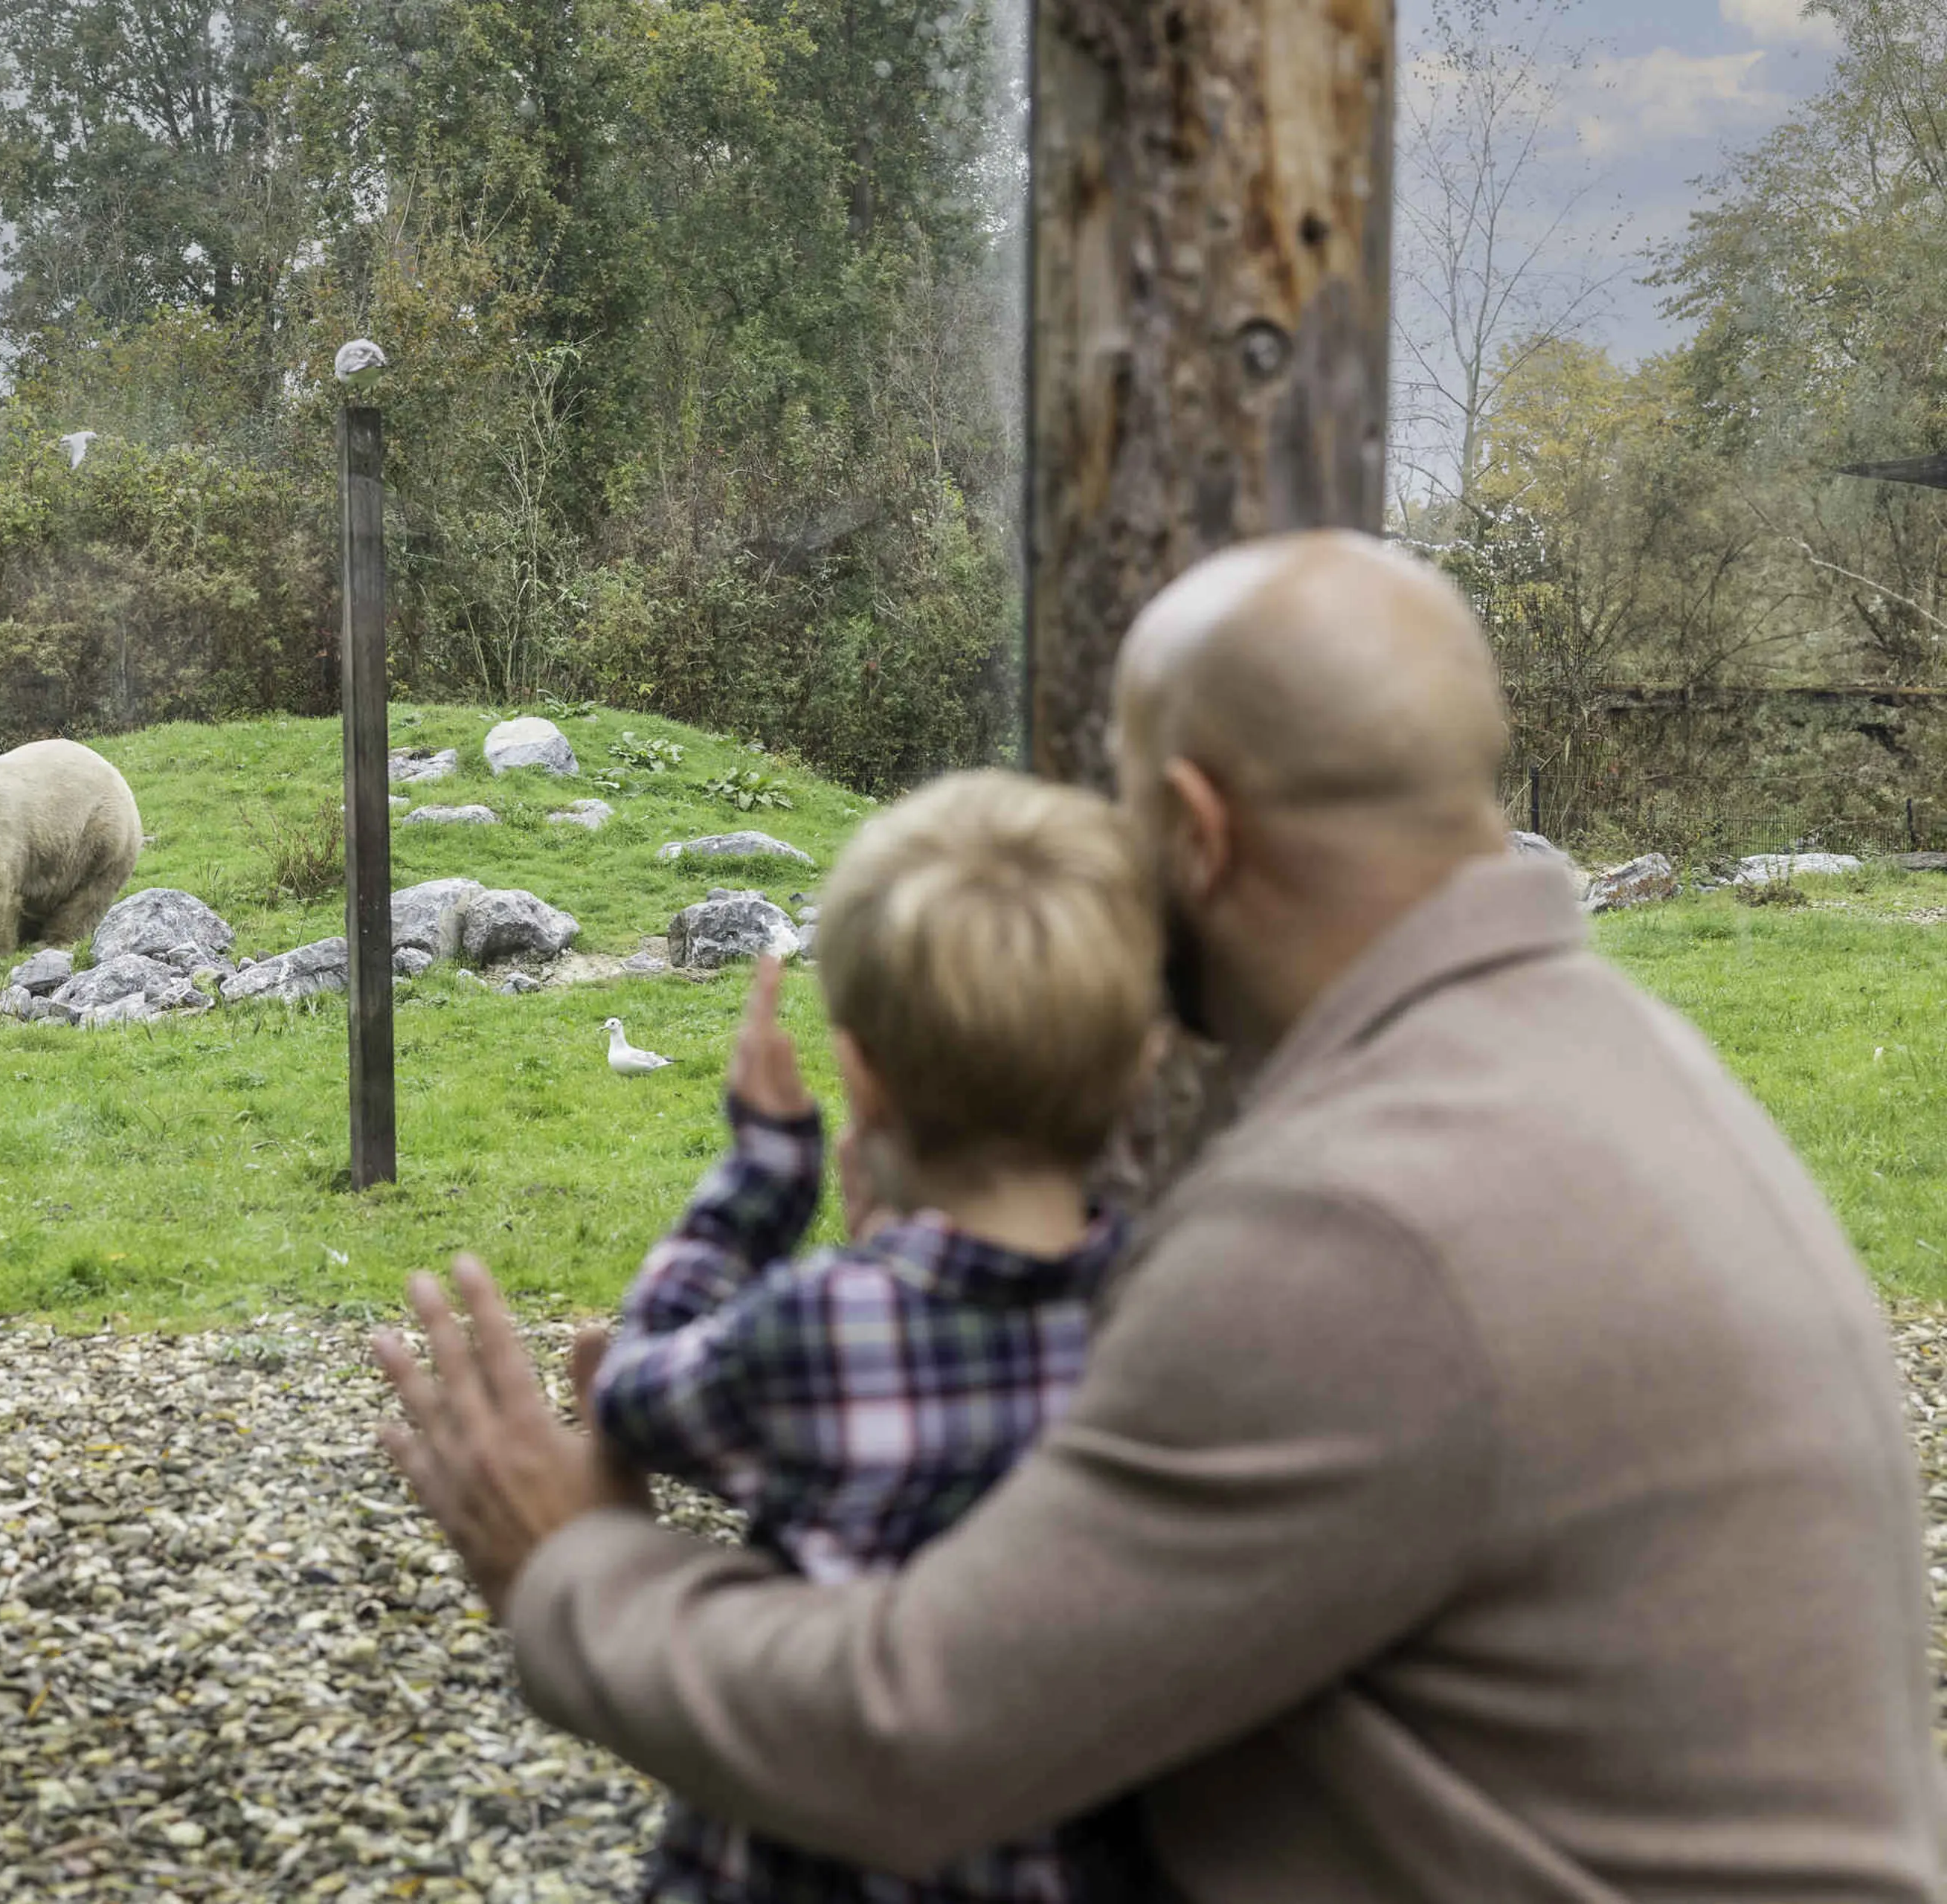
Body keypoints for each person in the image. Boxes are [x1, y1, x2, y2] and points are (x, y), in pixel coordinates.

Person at [370, 530, 1947, 1903]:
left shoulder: (1362, 1222)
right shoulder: (1601, 1060)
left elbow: (915, 1732)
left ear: (1193, 827)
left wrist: (571, 1565)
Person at [592, 768, 1156, 1903]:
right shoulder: (1179, 1322)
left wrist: (763, 1176)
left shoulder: (821, 1329)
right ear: (1144, 1069)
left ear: (861, 1077)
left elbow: (632, 1391)